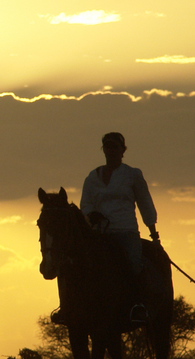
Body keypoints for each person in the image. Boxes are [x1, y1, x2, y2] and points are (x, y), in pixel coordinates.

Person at [54, 132, 159, 324]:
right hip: (99, 233)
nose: (111, 151)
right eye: (108, 147)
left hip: (126, 231)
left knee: (134, 264)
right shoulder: (92, 177)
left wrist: (153, 232)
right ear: (104, 150)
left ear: (123, 151)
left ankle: (138, 304)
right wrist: (90, 214)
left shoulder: (132, 175)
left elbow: (145, 203)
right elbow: (85, 203)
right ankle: (68, 306)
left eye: (115, 147)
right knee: (71, 263)